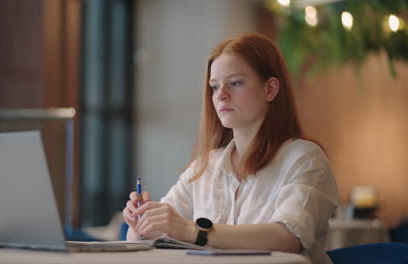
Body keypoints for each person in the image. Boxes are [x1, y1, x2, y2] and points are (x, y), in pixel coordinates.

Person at [123, 33, 339, 264]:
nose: (221, 96)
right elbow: (143, 236)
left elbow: (288, 237)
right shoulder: (205, 167)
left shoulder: (305, 159)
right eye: (215, 87)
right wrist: (142, 223)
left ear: (270, 89)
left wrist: (193, 231)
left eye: (235, 83)